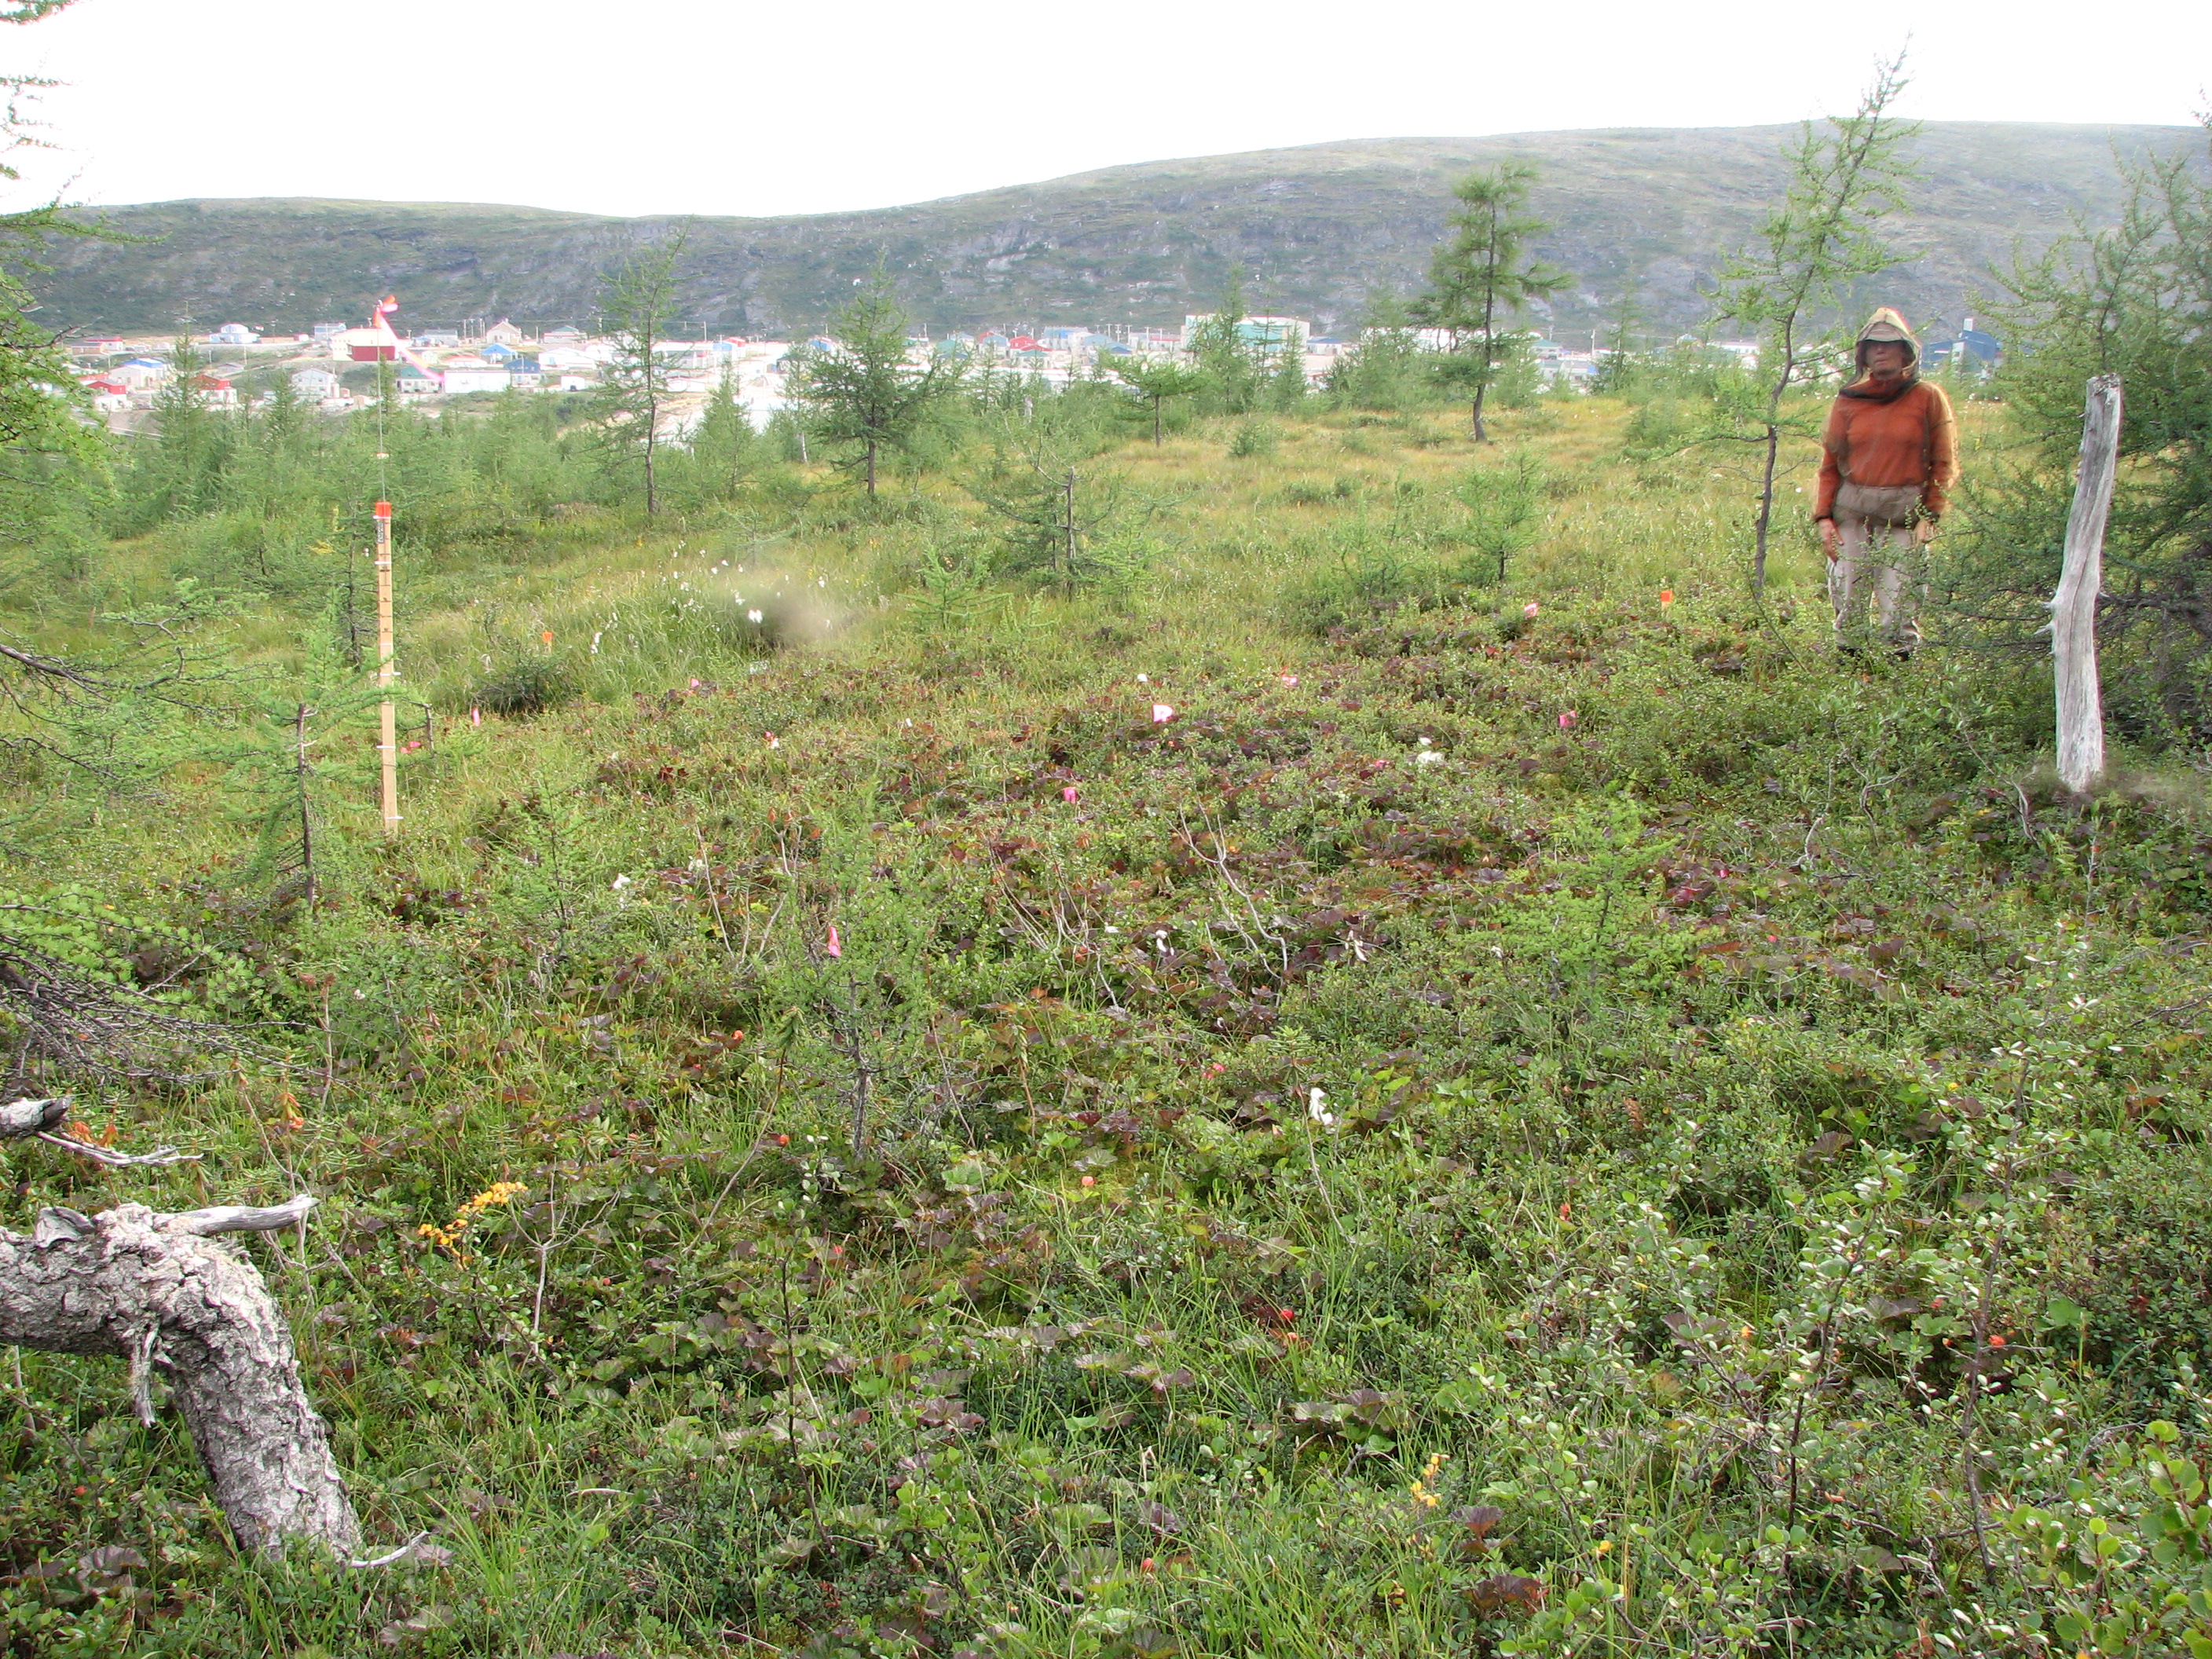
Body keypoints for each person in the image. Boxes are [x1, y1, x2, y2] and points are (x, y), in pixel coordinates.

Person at [1813, 308, 1958, 656]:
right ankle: (1849, 669)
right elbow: (1830, 464)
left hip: (1905, 512)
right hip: (1853, 511)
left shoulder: (1927, 397)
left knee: (1900, 599)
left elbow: (1944, 462)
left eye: (1889, 344)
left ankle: (1897, 668)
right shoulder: (1849, 399)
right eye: (1873, 345)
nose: (1880, 351)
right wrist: (1823, 518)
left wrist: (1930, 515)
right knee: (1848, 592)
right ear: (1862, 353)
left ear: (1906, 351)